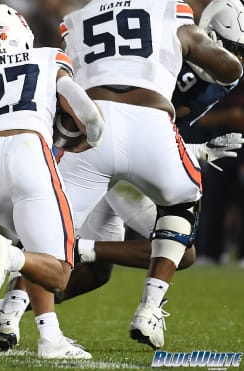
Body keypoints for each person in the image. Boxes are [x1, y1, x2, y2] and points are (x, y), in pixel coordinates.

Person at [56, 0, 242, 350]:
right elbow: (146, 122)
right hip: (130, 151)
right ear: (212, 36)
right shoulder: (173, 34)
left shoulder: (100, 25)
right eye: (233, 49)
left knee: (94, 271)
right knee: (180, 251)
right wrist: (193, 152)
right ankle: (86, 260)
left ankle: (14, 309)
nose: (238, 58)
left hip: (99, 139)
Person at [0, 4, 105, 359]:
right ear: (21, 32)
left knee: (35, 252)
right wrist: (91, 137)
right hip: (28, 148)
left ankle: (51, 338)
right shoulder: (47, 58)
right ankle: (7, 255)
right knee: (59, 270)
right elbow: (88, 112)